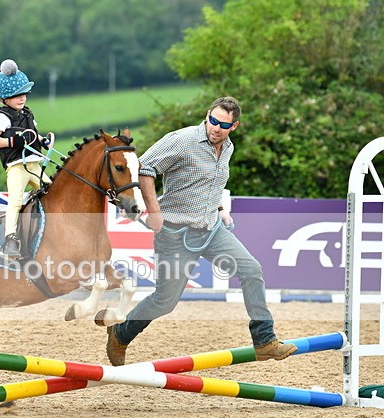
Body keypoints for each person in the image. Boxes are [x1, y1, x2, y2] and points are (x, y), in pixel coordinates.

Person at [105, 96, 297, 365]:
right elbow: (144, 167)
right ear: (207, 115)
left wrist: (219, 207)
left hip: (211, 230)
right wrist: (154, 212)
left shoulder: (228, 147)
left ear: (234, 126)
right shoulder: (182, 140)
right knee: (164, 301)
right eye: (213, 120)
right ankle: (121, 334)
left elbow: (208, 182)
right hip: (175, 233)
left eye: (224, 125)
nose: (216, 128)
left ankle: (264, 340)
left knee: (251, 270)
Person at [0, 59, 52, 261]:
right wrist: (13, 141)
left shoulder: (27, 113)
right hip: (17, 167)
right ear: (5, 98)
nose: (22, 98)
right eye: (16, 95)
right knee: (15, 201)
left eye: (24, 94)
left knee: (53, 192)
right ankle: (10, 241)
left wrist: (43, 141)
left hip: (34, 165)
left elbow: (33, 134)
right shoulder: (1, 116)